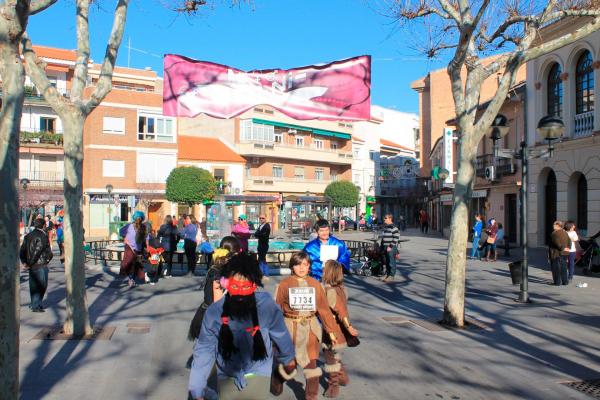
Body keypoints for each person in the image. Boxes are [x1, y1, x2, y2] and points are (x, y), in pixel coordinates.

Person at [188, 253, 296, 400]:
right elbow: (205, 348)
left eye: (244, 285)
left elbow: (204, 350)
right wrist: (197, 387)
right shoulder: (216, 312)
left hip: (250, 372)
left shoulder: (264, 305)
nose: (240, 292)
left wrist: (197, 388)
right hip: (239, 373)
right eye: (236, 285)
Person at [272, 252, 338, 400]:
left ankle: (311, 396)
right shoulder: (284, 284)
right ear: (292, 266)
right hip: (290, 328)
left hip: (310, 329)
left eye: (305, 265)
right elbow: (276, 309)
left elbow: (324, 310)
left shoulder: (315, 285)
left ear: (309, 266)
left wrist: (331, 332)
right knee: (289, 365)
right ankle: (277, 377)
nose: (301, 268)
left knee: (311, 366)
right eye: (297, 264)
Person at [321, 260, 359, 398]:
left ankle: (333, 386)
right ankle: (343, 378)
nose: (322, 270)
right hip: (337, 331)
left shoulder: (330, 291)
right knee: (334, 357)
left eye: (324, 269)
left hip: (334, 332)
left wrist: (350, 328)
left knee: (331, 360)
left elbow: (341, 310)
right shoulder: (341, 288)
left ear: (329, 272)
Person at [20, 217, 53, 312]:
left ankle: (34, 304)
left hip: (33, 265)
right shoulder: (43, 236)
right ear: (43, 225)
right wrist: (47, 259)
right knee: (42, 285)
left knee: (34, 286)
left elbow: (22, 251)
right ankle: (35, 305)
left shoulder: (28, 235)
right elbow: (37, 251)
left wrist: (25, 262)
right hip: (40, 265)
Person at [119, 210, 149, 288]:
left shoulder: (132, 226)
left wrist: (124, 238)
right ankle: (131, 279)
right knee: (133, 264)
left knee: (132, 264)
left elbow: (121, 231)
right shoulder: (141, 227)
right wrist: (148, 247)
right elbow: (147, 238)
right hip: (133, 248)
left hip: (133, 248)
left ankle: (131, 279)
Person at [549, 220, 571, 286]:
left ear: (558, 226)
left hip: (556, 253)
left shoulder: (554, 233)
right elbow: (569, 242)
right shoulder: (565, 233)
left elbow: (556, 243)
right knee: (564, 267)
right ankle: (565, 281)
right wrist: (568, 248)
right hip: (565, 253)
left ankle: (557, 282)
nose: (553, 226)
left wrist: (562, 248)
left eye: (554, 225)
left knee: (556, 268)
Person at [380, 214, 400, 283]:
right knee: (387, 261)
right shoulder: (386, 227)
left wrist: (390, 246)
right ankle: (388, 274)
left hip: (390, 247)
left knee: (391, 262)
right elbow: (383, 237)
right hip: (385, 246)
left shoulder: (393, 227)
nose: (384, 219)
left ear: (390, 218)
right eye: (384, 218)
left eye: (386, 218)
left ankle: (391, 275)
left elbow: (396, 238)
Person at [254, 214, 271, 280]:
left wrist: (258, 234)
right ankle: (262, 273)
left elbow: (263, 235)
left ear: (266, 218)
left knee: (262, 259)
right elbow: (256, 234)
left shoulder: (267, 226)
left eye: (263, 218)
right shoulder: (261, 226)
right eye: (260, 218)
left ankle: (265, 274)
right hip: (260, 244)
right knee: (261, 259)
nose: (261, 219)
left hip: (264, 244)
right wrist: (258, 234)